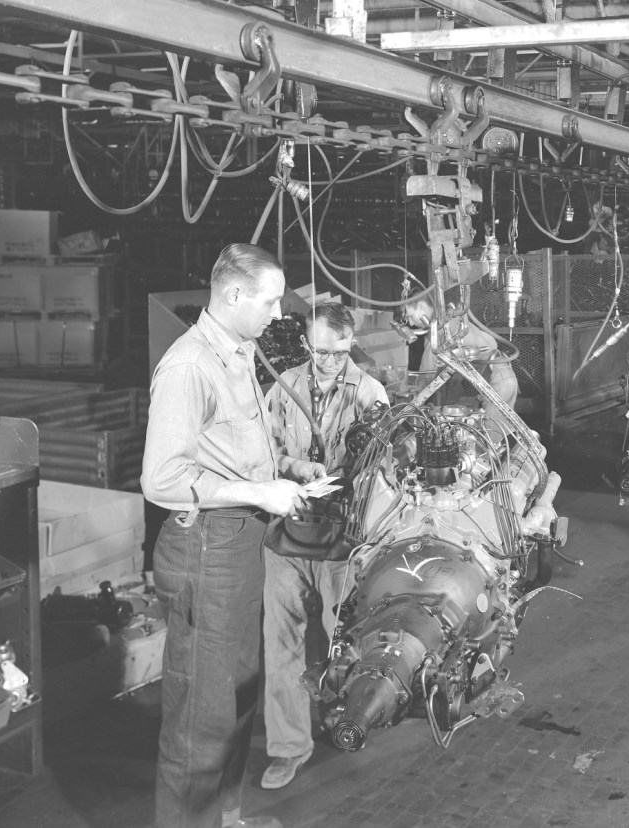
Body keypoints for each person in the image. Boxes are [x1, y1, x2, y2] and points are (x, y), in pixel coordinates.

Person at [142, 243, 312, 828]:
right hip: (207, 549)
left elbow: (232, 451)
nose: (278, 314)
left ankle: (226, 820)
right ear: (235, 295)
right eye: (269, 301)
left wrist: (286, 470)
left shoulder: (240, 353)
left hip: (241, 546)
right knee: (201, 715)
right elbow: (162, 478)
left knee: (238, 695)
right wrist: (260, 494)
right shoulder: (190, 366)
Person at [259, 302, 389, 790]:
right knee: (281, 645)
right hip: (288, 534)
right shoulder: (284, 387)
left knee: (344, 643)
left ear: (351, 343)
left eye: (339, 353)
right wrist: (295, 467)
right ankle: (288, 747)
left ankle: (342, 719)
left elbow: (385, 467)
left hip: (342, 541)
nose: (329, 362)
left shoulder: (370, 393)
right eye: (319, 352)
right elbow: (263, 449)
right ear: (305, 345)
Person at [403, 296, 519, 413]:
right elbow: (438, 375)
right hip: (486, 381)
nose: (411, 323)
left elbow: (491, 344)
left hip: (500, 381)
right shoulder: (438, 328)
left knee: (493, 424)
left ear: (421, 306)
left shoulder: (447, 324)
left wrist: (415, 403)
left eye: (410, 316)